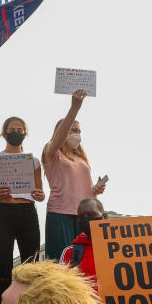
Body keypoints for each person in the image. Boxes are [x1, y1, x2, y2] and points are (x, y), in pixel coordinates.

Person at [0, 116, 45, 304]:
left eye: (20, 130)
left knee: (30, 269)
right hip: (3, 214)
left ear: (25, 134)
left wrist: (40, 195)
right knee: (3, 271)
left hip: (27, 214)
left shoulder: (33, 161)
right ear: (4, 133)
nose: (16, 133)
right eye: (13, 129)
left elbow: (40, 193)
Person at [41, 90, 105, 260]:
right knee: (63, 262)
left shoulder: (82, 158)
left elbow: (80, 185)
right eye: (72, 129)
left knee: (89, 259)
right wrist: (74, 108)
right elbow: (58, 139)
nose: (76, 133)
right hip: (61, 212)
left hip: (87, 214)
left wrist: (96, 189)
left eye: (79, 130)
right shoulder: (52, 152)